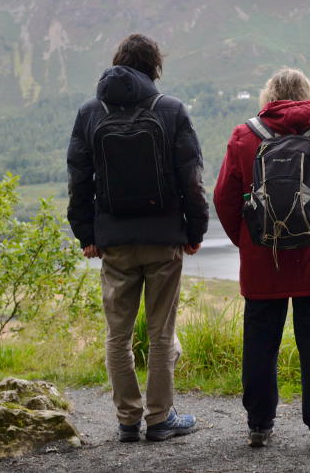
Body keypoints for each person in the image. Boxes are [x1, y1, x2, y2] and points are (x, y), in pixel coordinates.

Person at [66, 33, 209, 442]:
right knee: (162, 333)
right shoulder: (171, 110)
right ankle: (160, 418)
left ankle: (128, 420)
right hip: (163, 238)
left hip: (113, 241)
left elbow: (79, 180)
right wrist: (194, 230)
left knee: (118, 334)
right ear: (154, 68)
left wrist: (86, 234)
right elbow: (191, 179)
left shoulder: (90, 113)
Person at [213, 67, 310, 451]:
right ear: (308, 95)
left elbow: (224, 199)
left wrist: (248, 240)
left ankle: (259, 426)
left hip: (265, 258)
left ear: (269, 98)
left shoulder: (245, 136)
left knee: (260, 341)